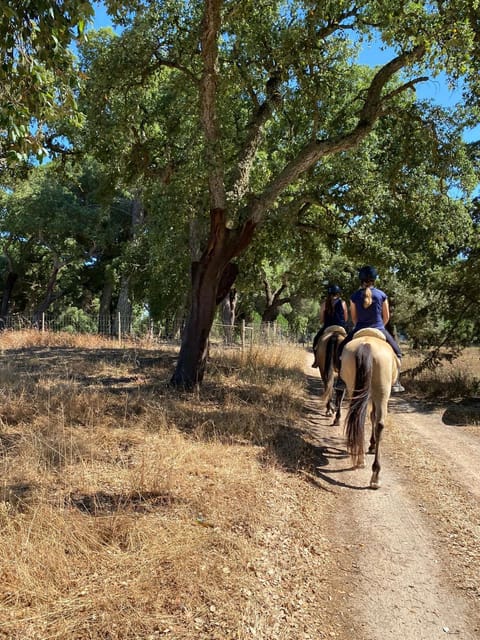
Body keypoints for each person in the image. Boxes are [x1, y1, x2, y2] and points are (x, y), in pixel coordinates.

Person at [336, 266, 405, 392]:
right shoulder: (382, 295)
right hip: (379, 328)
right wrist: (380, 326)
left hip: (359, 328)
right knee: (398, 353)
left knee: (340, 350)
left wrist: (360, 326)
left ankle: (341, 380)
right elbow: (387, 317)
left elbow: (354, 318)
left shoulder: (354, 296)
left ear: (360, 280)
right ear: (374, 279)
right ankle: (396, 382)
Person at [311, 284, 348, 367]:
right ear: (338, 294)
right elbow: (345, 318)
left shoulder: (324, 304)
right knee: (350, 341)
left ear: (329, 294)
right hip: (340, 327)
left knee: (316, 340)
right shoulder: (343, 303)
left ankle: (316, 361)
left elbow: (321, 319)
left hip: (328, 327)